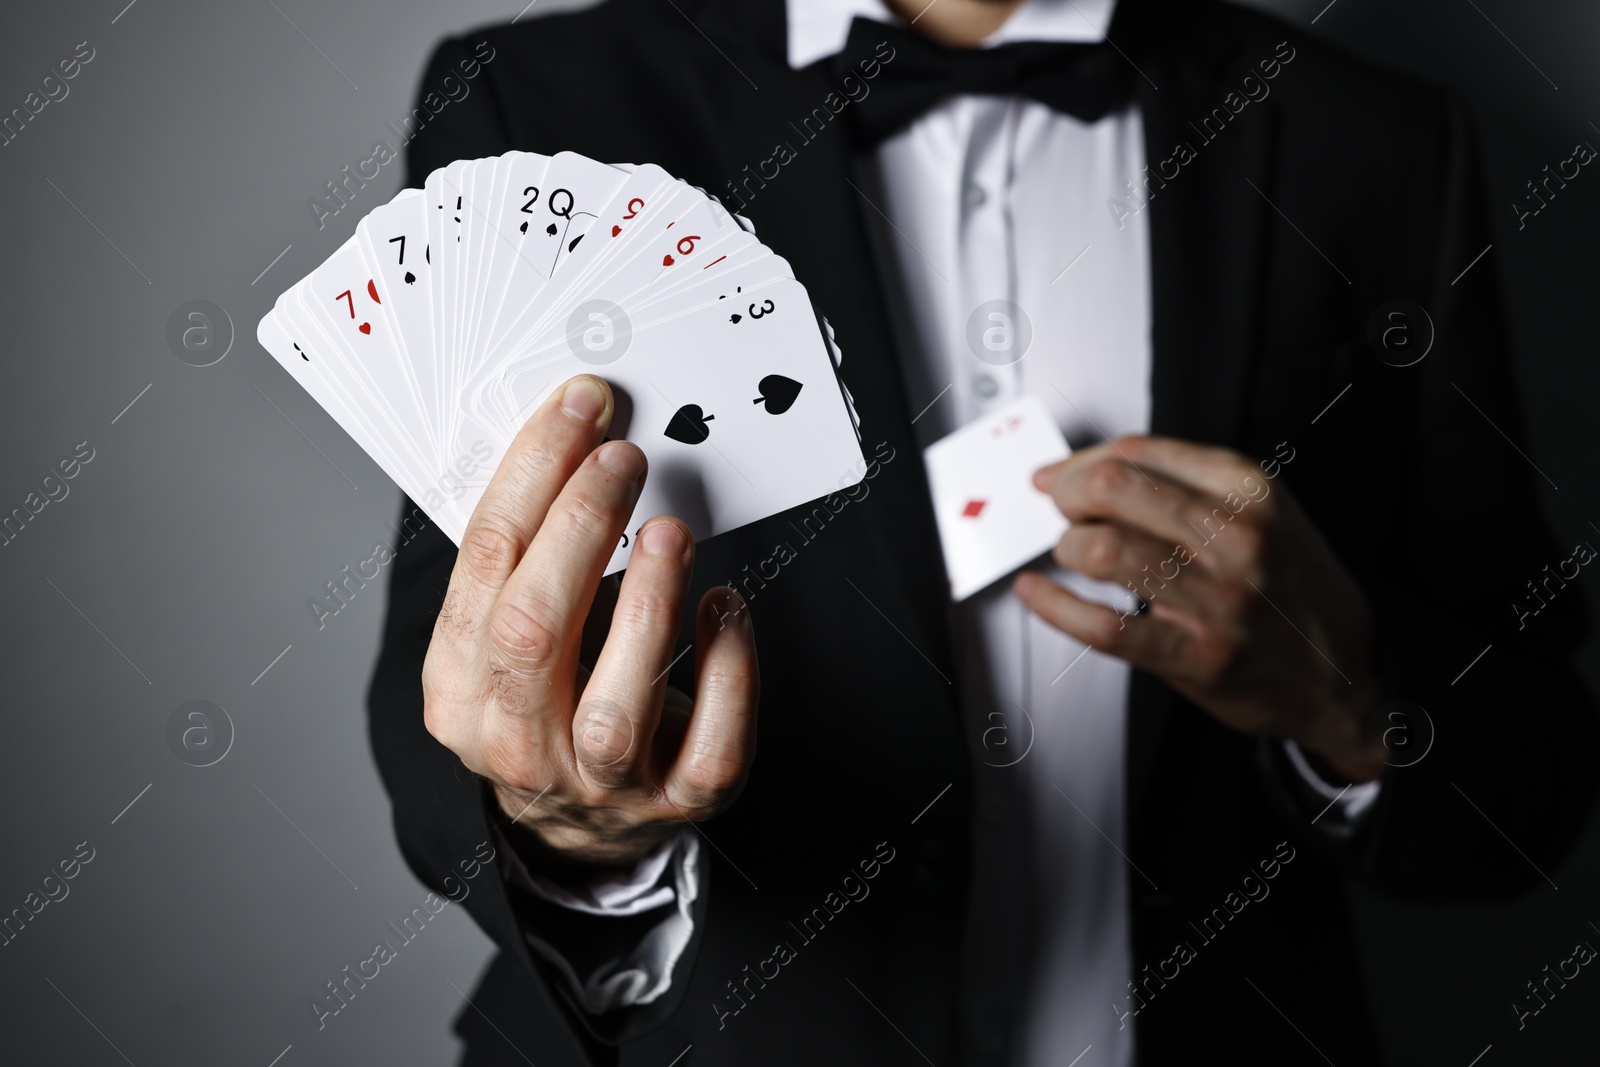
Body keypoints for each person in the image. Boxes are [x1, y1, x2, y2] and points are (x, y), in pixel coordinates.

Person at [367, 0, 1598, 1063]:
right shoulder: (538, 101)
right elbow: (448, 695)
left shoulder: (1369, 137)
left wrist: (1347, 689)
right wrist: (571, 826)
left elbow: (1527, 782)